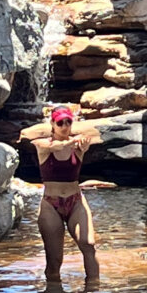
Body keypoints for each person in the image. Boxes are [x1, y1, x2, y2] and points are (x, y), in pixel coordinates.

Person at [31, 106, 100, 283]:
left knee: (89, 245)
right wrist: (71, 142)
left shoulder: (77, 145)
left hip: (75, 201)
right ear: (52, 124)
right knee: (54, 262)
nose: (64, 126)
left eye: (68, 122)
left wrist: (82, 146)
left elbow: (83, 144)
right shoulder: (43, 145)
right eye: (60, 122)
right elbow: (50, 146)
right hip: (50, 204)